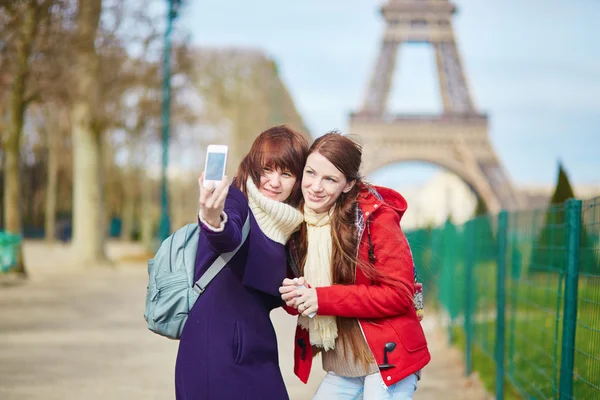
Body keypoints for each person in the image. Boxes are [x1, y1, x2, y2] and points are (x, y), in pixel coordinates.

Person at [279, 132, 430, 399]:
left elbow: (398, 294)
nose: (315, 186)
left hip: (385, 361)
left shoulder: (377, 220)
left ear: (348, 184)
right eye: (311, 173)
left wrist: (321, 298)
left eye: (330, 179)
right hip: (344, 366)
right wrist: (297, 293)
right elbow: (296, 307)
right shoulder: (298, 224)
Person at [175, 125, 309, 400]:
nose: (274, 181)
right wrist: (212, 217)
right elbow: (227, 234)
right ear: (254, 166)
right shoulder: (236, 200)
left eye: (286, 174)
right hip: (216, 349)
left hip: (258, 348)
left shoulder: (290, 225)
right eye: (267, 169)